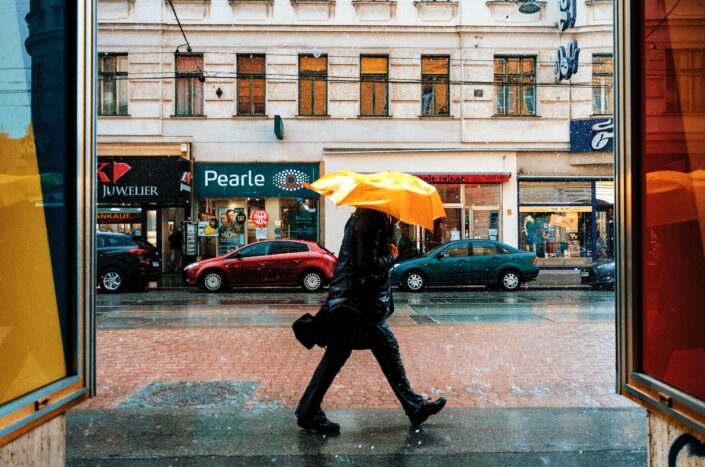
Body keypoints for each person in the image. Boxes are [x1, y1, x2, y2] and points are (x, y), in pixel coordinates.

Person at [294, 208, 447, 433]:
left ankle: (308, 411)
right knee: (382, 348)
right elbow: (366, 264)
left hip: (353, 300)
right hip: (358, 303)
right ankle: (414, 407)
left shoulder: (363, 217)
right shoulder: (372, 219)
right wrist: (390, 257)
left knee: (342, 352)